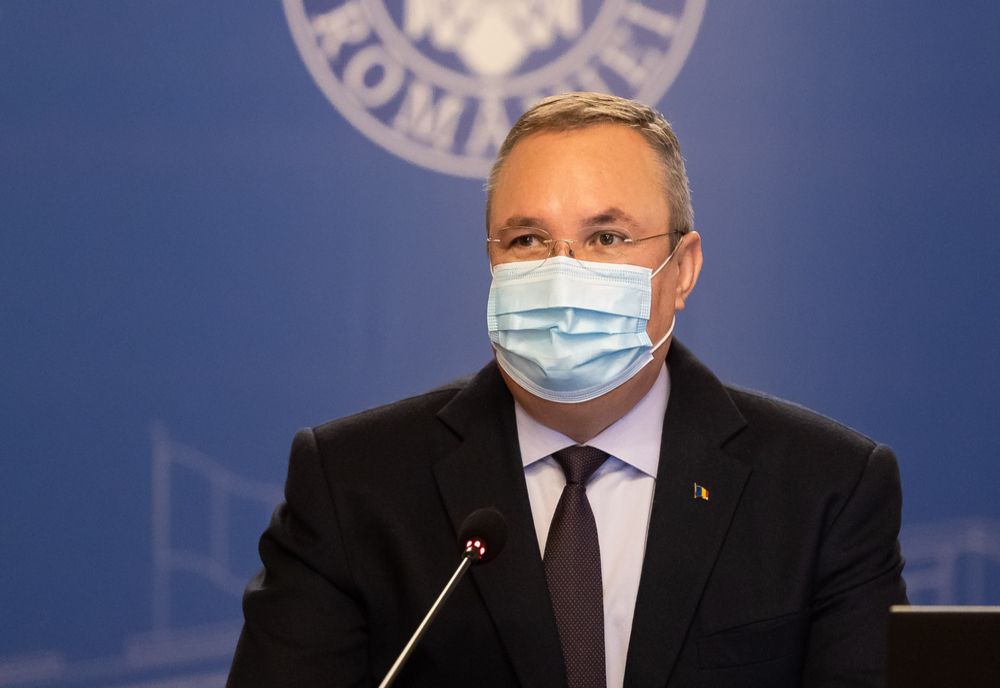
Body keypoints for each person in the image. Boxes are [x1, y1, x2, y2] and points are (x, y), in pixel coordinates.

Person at [227, 92, 907, 688]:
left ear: (682, 270)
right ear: (491, 261)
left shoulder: (826, 489)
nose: (562, 274)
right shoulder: (353, 484)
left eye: (606, 237)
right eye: (527, 240)